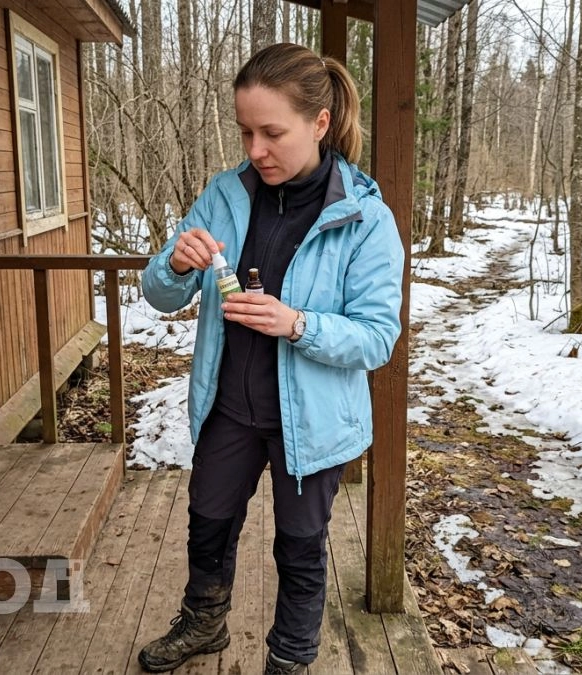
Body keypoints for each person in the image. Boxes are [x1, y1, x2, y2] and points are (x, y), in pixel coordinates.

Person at [138, 43, 405, 675]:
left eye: (271, 132)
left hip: (311, 421)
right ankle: (204, 625)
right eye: (245, 131)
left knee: (300, 548)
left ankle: (289, 660)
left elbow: (376, 338)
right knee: (208, 523)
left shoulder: (365, 218)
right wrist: (175, 263)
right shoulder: (226, 195)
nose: (255, 150)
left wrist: (299, 325)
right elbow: (158, 294)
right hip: (229, 406)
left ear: (319, 123)